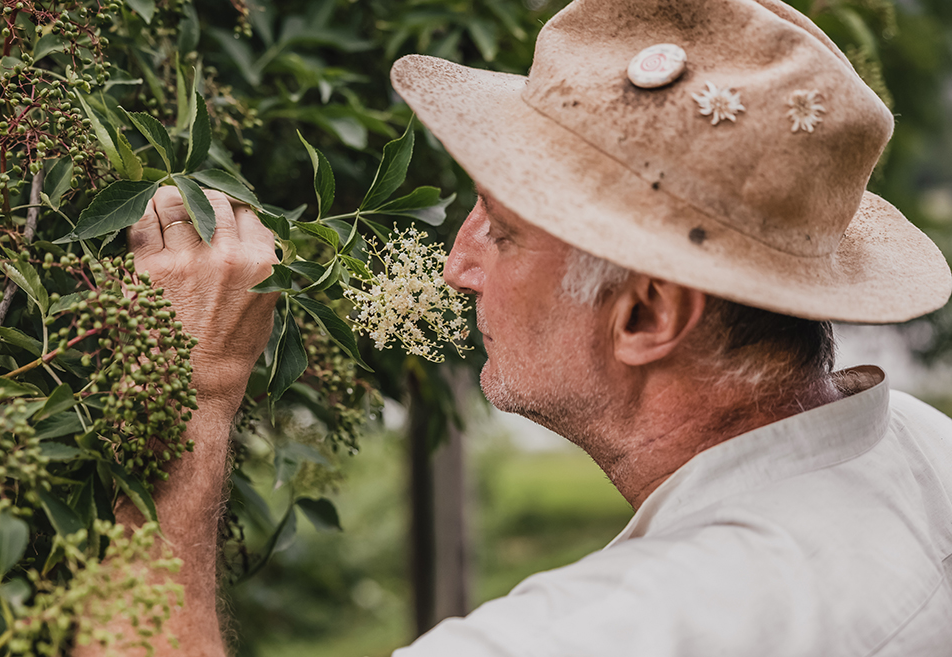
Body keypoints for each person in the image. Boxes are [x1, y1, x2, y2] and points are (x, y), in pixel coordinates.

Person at [82, 0, 952, 654]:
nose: (459, 265)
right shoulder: (919, 449)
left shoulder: (598, 633)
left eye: (500, 230)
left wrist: (190, 392)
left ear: (647, 313)